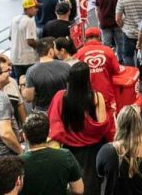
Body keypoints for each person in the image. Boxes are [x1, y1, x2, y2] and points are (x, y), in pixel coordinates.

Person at [48, 62, 112, 195]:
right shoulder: (96, 97)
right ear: (87, 78)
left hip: (69, 150)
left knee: (72, 183)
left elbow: (54, 123)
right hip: (92, 151)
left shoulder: (60, 97)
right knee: (92, 184)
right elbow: (102, 126)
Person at [19, 112, 84, 195]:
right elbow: (79, 190)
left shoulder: (18, 162)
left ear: (24, 136)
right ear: (49, 133)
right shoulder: (66, 156)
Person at [76, 27, 121, 114]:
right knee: (108, 118)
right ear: (99, 37)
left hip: (86, 95)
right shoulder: (108, 51)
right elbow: (117, 70)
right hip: (106, 95)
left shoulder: (79, 54)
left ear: (85, 39)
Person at [22, 37, 70, 112]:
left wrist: (22, 86)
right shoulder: (66, 66)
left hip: (43, 113)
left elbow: (29, 98)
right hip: (64, 110)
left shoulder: (31, 71)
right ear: (51, 52)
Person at [9, 0, 39, 79]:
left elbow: (10, 37)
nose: (37, 10)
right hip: (28, 59)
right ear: (28, 9)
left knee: (20, 81)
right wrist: (41, 46)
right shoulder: (29, 21)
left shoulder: (14, 19)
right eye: (35, 7)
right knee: (30, 81)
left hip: (15, 58)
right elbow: (30, 41)